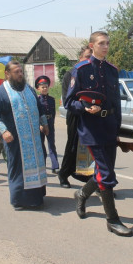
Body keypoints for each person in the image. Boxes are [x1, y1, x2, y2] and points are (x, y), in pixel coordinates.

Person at [65, 31, 132, 237]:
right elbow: (69, 103)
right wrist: (84, 107)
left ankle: (82, 194)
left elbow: (116, 104)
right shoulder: (81, 69)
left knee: (104, 172)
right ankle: (112, 220)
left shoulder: (112, 70)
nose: (106, 47)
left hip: (109, 127)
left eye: (108, 43)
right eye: (101, 43)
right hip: (91, 129)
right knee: (106, 173)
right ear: (92, 45)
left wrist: (117, 130)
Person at [0, 60, 49, 210]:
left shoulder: (29, 89)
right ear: (7, 74)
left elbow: (39, 107)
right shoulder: (0, 93)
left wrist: (44, 123)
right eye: (16, 72)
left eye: (21, 71)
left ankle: (37, 198)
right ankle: (19, 200)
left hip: (34, 138)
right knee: (18, 169)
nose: (20, 74)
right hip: (15, 139)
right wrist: (4, 131)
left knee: (36, 165)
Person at [58, 45, 92, 187]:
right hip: (75, 115)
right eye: (87, 57)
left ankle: (92, 181)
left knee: (91, 148)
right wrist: (84, 105)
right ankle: (64, 174)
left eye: (92, 58)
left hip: (91, 117)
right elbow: (67, 101)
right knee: (73, 147)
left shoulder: (94, 74)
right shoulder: (70, 74)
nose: (89, 60)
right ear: (80, 58)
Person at [35, 75, 59, 173]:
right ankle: (42, 165)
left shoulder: (52, 99)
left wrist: (51, 124)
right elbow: (36, 113)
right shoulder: (36, 99)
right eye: (42, 87)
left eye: (46, 87)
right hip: (40, 124)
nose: (45, 89)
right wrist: (40, 125)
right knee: (41, 145)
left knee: (51, 145)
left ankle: (55, 166)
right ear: (38, 88)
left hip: (50, 123)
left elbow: (53, 113)